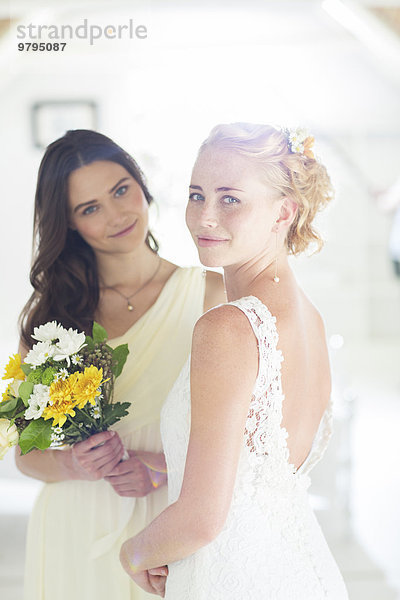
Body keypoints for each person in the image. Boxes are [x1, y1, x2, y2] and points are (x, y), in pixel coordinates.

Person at [120, 123, 349, 599]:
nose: (204, 216)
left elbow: (201, 519)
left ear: (283, 212)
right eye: (196, 194)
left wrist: (133, 553)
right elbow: (253, 465)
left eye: (230, 199)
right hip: (304, 574)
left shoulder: (227, 328)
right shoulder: (311, 319)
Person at [15, 129, 225, 600]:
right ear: (69, 224)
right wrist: (72, 463)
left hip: (169, 524)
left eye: (120, 190)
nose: (116, 215)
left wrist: (167, 468)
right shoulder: (53, 318)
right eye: (90, 208)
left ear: (141, 184)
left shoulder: (211, 295)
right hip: (75, 528)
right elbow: (26, 455)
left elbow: (253, 431)